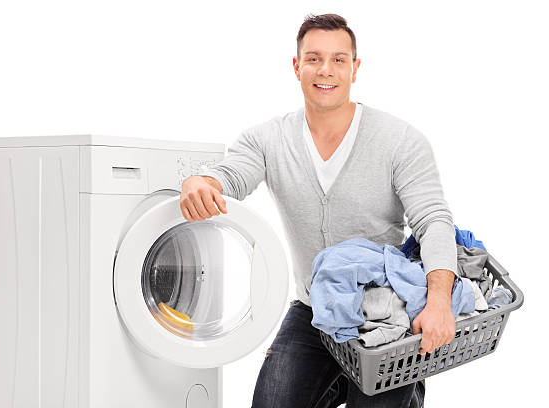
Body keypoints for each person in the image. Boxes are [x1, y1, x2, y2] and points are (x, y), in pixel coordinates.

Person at [180, 13, 459, 408]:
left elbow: (433, 221)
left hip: (384, 316)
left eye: (338, 59)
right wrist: (201, 182)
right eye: (313, 58)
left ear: (354, 68)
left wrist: (439, 302)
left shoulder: (400, 140)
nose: (325, 70)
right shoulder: (268, 139)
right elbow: (230, 175)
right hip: (313, 311)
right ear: (297, 67)